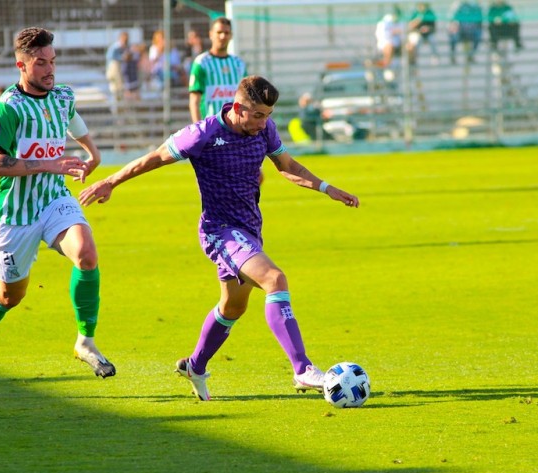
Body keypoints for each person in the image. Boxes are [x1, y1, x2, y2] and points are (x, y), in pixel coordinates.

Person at [78, 75, 360, 401]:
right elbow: (153, 158)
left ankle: (195, 366)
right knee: (274, 279)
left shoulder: (264, 129)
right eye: (256, 115)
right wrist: (110, 182)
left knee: (232, 307)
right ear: (238, 107)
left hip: (249, 229)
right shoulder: (203, 134)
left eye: (267, 115)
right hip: (219, 230)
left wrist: (327, 188)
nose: (263, 122)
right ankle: (303, 369)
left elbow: (286, 165)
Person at [0, 27, 113, 389]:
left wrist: (93, 154)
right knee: (11, 296)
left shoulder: (61, 96)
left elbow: (72, 120)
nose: (50, 70)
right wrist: (49, 163)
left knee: (87, 254)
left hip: (53, 199)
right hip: (16, 213)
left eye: (52, 62)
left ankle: (85, 341)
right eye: (41, 63)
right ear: (22, 65)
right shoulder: (8, 107)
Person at [188, 17, 247, 123]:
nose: (223, 36)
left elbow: (246, 98)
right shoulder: (201, 62)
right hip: (210, 126)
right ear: (211, 34)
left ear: (231, 35)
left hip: (234, 127)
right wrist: (199, 129)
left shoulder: (239, 64)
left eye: (226, 32)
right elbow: (194, 101)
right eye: (219, 32)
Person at [447, 1, 483, 65]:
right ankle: (453, 55)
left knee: (478, 35)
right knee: (453, 36)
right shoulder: (460, 6)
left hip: (472, 32)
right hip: (461, 31)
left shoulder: (476, 7)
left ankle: (470, 56)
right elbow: (453, 17)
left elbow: (479, 20)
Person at [105, 31, 130, 103]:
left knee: (118, 90)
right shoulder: (116, 47)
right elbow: (110, 57)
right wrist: (122, 57)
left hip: (116, 71)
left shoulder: (121, 47)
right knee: (116, 90)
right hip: (113, 71)